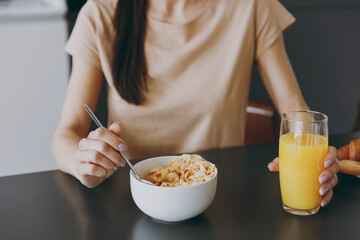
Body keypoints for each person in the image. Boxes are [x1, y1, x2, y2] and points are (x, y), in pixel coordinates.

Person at [52, 0, 339, 207]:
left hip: (223, 204)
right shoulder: (101, 13)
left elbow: (298, 115)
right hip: (132, 204)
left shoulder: (250, 6)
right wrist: (82, 163)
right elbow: (67, 133)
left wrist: (319, 158)